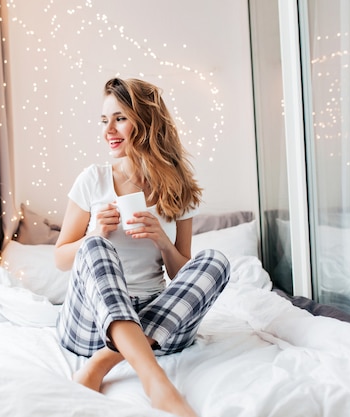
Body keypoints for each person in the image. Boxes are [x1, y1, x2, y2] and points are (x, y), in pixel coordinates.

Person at [54, 77, 230, 417]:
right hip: (91, 325)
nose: (109, 130)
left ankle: (105, 361)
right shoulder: (93, 179)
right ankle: (156, 382)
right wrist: (93, 233)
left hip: (158, 320)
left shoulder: (177, 188)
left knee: (215, 261)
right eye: (105, 120)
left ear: (146, 121)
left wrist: (163, 242)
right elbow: (61, 258)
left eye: (119, 118)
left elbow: (183, 274)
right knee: (95, 248)